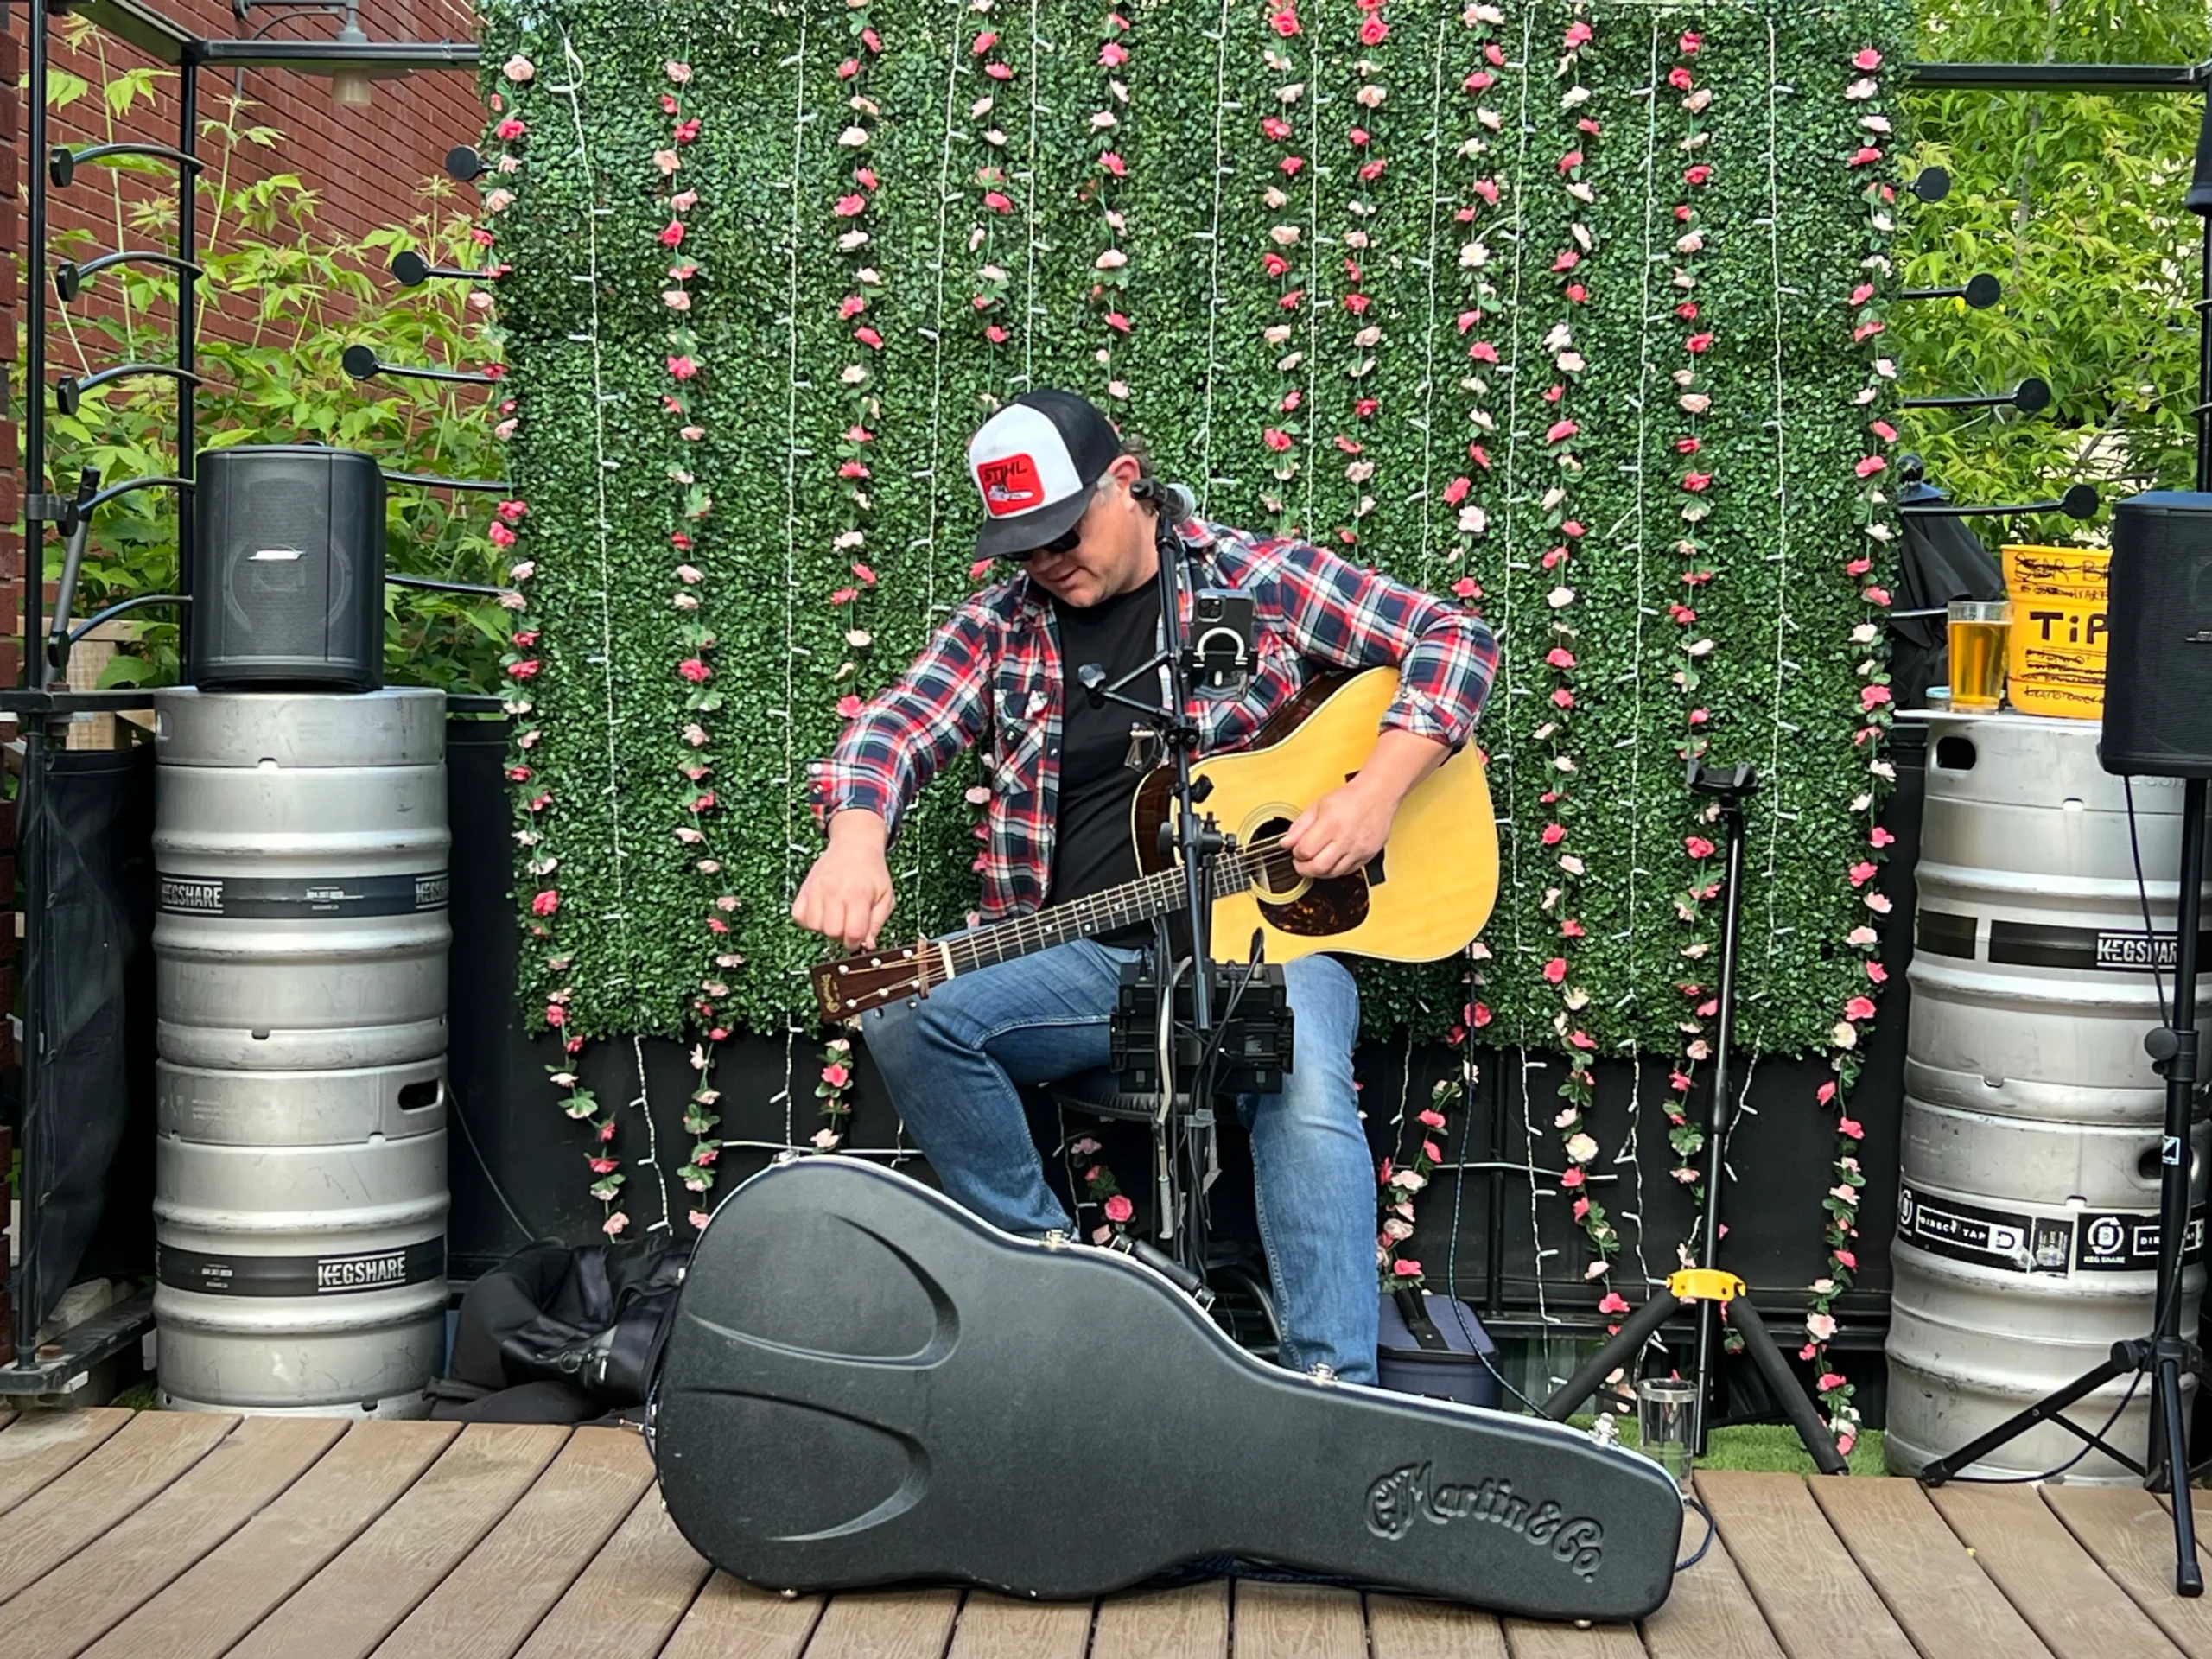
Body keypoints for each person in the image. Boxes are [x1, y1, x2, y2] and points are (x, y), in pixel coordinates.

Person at [795, 389, 1497, 1383]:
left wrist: (1376, 792)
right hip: (1090, 964)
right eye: (1023, 547)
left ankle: (1334, 1405)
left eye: (1062, 532)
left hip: (1266, 953)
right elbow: (895, 727)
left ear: (1125, 480)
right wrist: (856, 839)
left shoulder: (1254, 578)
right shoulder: (1002, 625)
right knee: (907, 1017)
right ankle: (1064, 1305)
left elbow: (1455, 641)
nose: (1047, 563)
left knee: (1300, 1087)